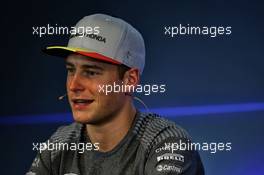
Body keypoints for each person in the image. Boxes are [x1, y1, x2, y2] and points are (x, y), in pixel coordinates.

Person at [27, 14, 204, 175]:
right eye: (71, 70)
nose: (74, 85)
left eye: (91, 72)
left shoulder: (168, 143)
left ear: (130, 80)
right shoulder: (60, 143)